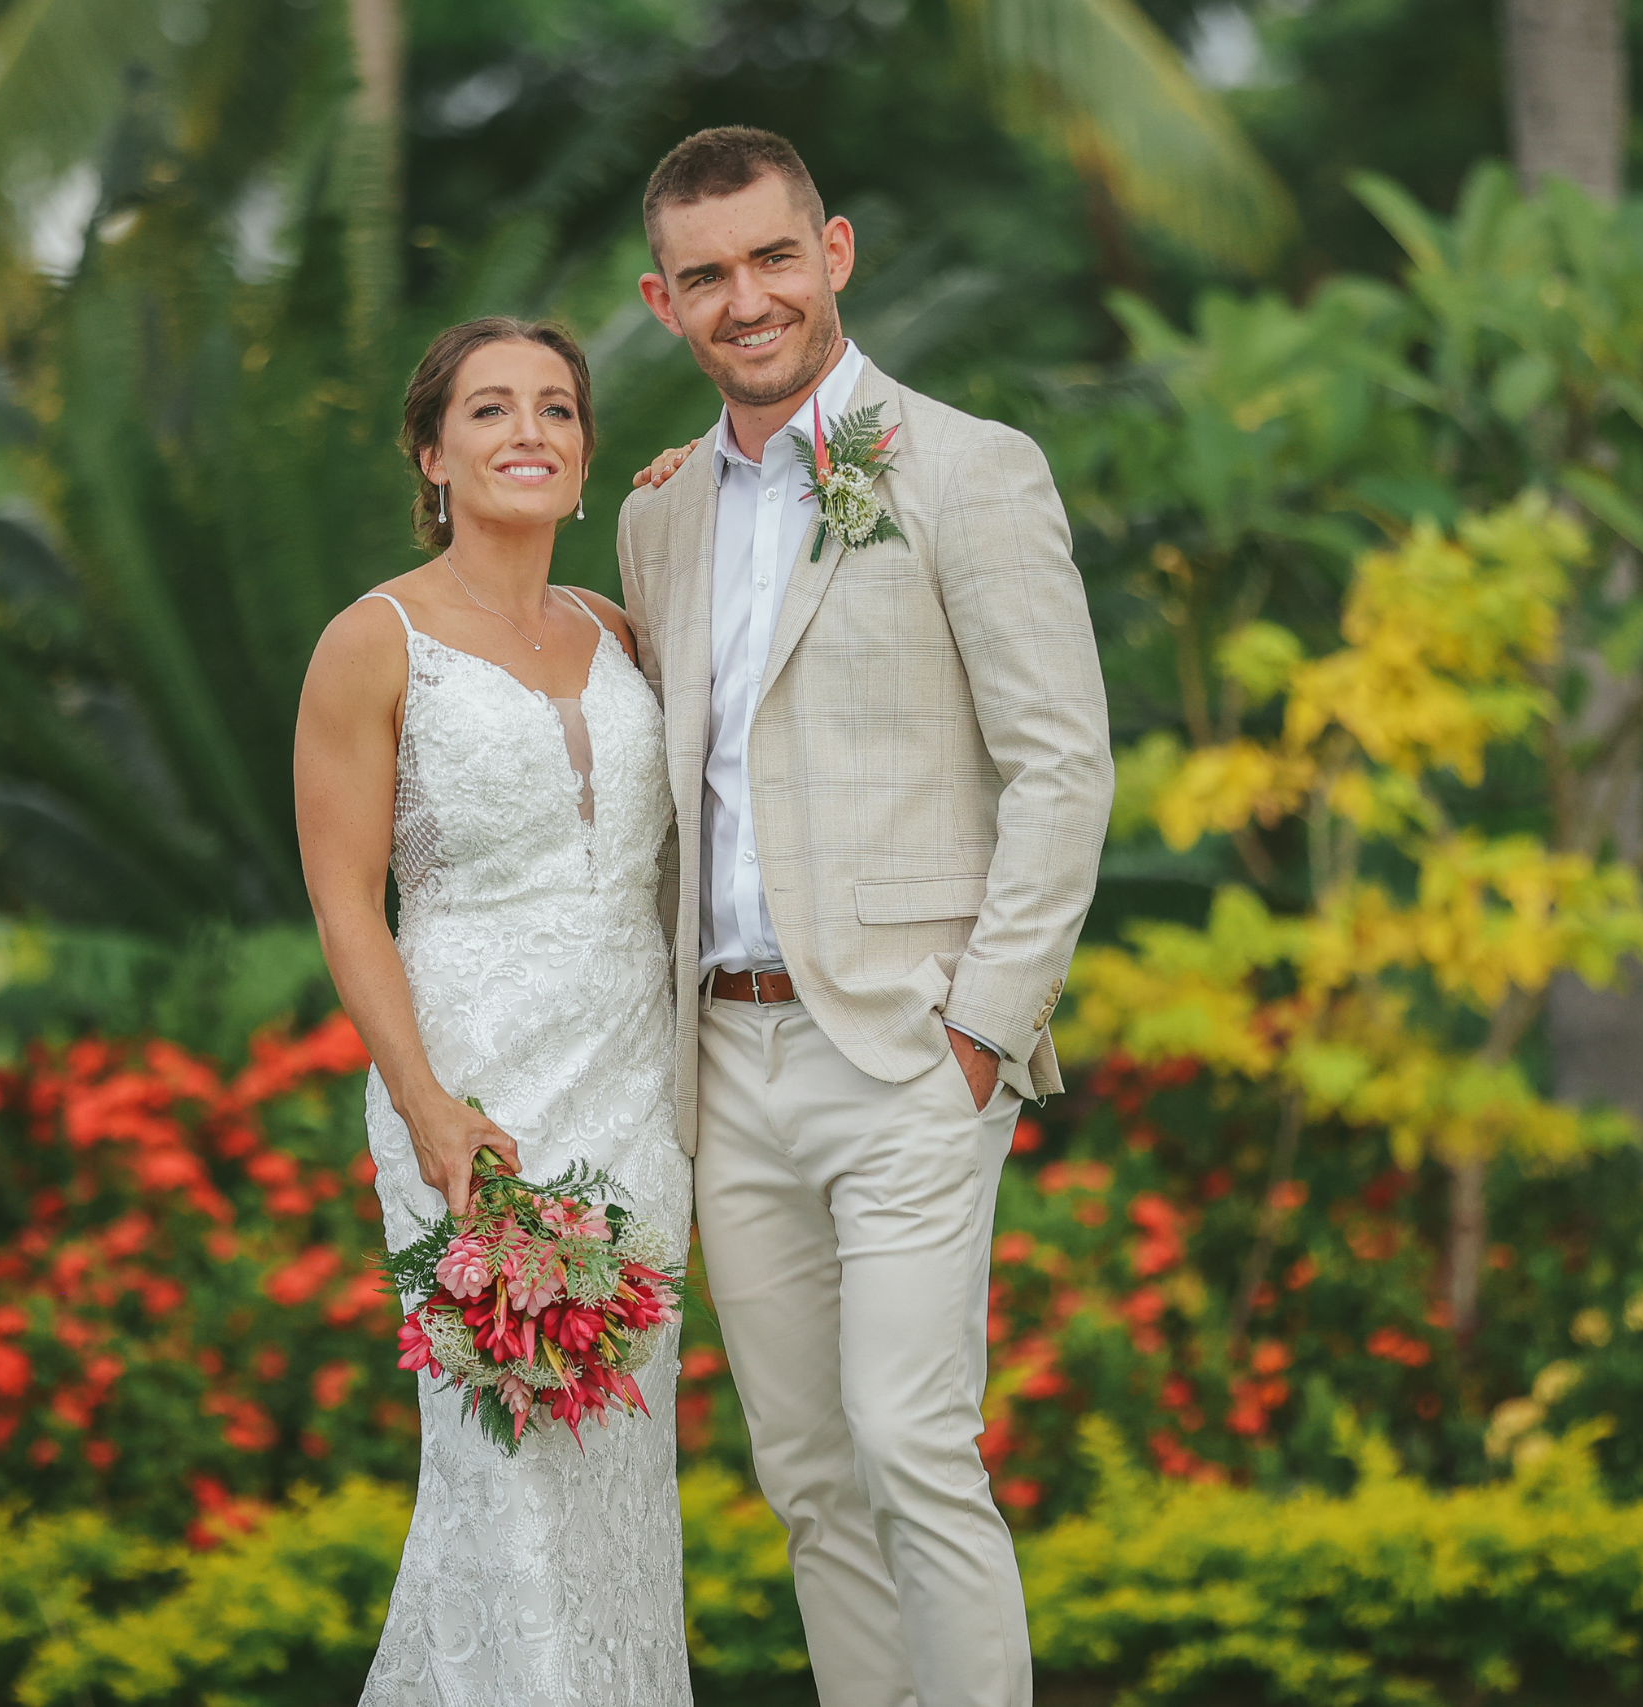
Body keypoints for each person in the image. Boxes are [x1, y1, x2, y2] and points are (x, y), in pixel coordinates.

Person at [617, 128, 1112, 1707]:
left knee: (911, 1442)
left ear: (834, 251)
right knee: (811, 1478)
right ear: (662, 302)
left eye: (772, 258)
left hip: (910, 1043)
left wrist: (980, 1027)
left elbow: (1061, 763)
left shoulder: (972, 466)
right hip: (727, 1057)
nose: (745, 298)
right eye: (707, 277)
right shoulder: (657, 513)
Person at [294, 316, 690, 1707]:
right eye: (490, 410)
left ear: (585, 457)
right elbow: (348, 903)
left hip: (638, 1097)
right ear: (433, 452)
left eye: (558, 410)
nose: (528, 431)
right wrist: (426, 1106)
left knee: (618, 1478)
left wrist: (700, 492)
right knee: (505, 1467)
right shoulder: (373, 640)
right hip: (470, 1101)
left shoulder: (628, 631)